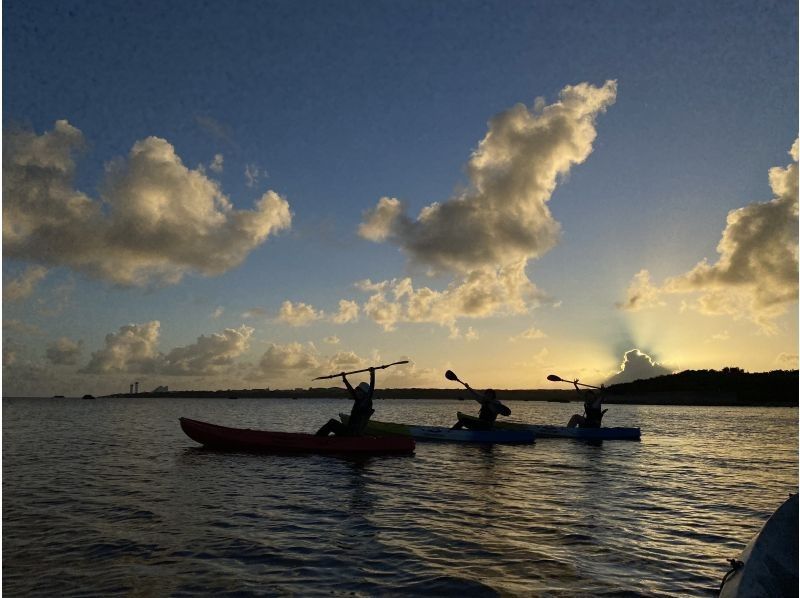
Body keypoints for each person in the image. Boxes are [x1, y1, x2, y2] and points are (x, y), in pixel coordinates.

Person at [315, 367, 375, 436]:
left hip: (353, 434)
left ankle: (316, 439)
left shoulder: (366, 402)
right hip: (350, 431)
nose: (357, 392)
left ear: (365, 393)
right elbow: (351, 390)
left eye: (359, 391)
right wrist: (344, 379)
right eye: (357, 391)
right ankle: (319, 439)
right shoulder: (358, 400)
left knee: (332, 422)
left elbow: (371, 390)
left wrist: (372, 374)